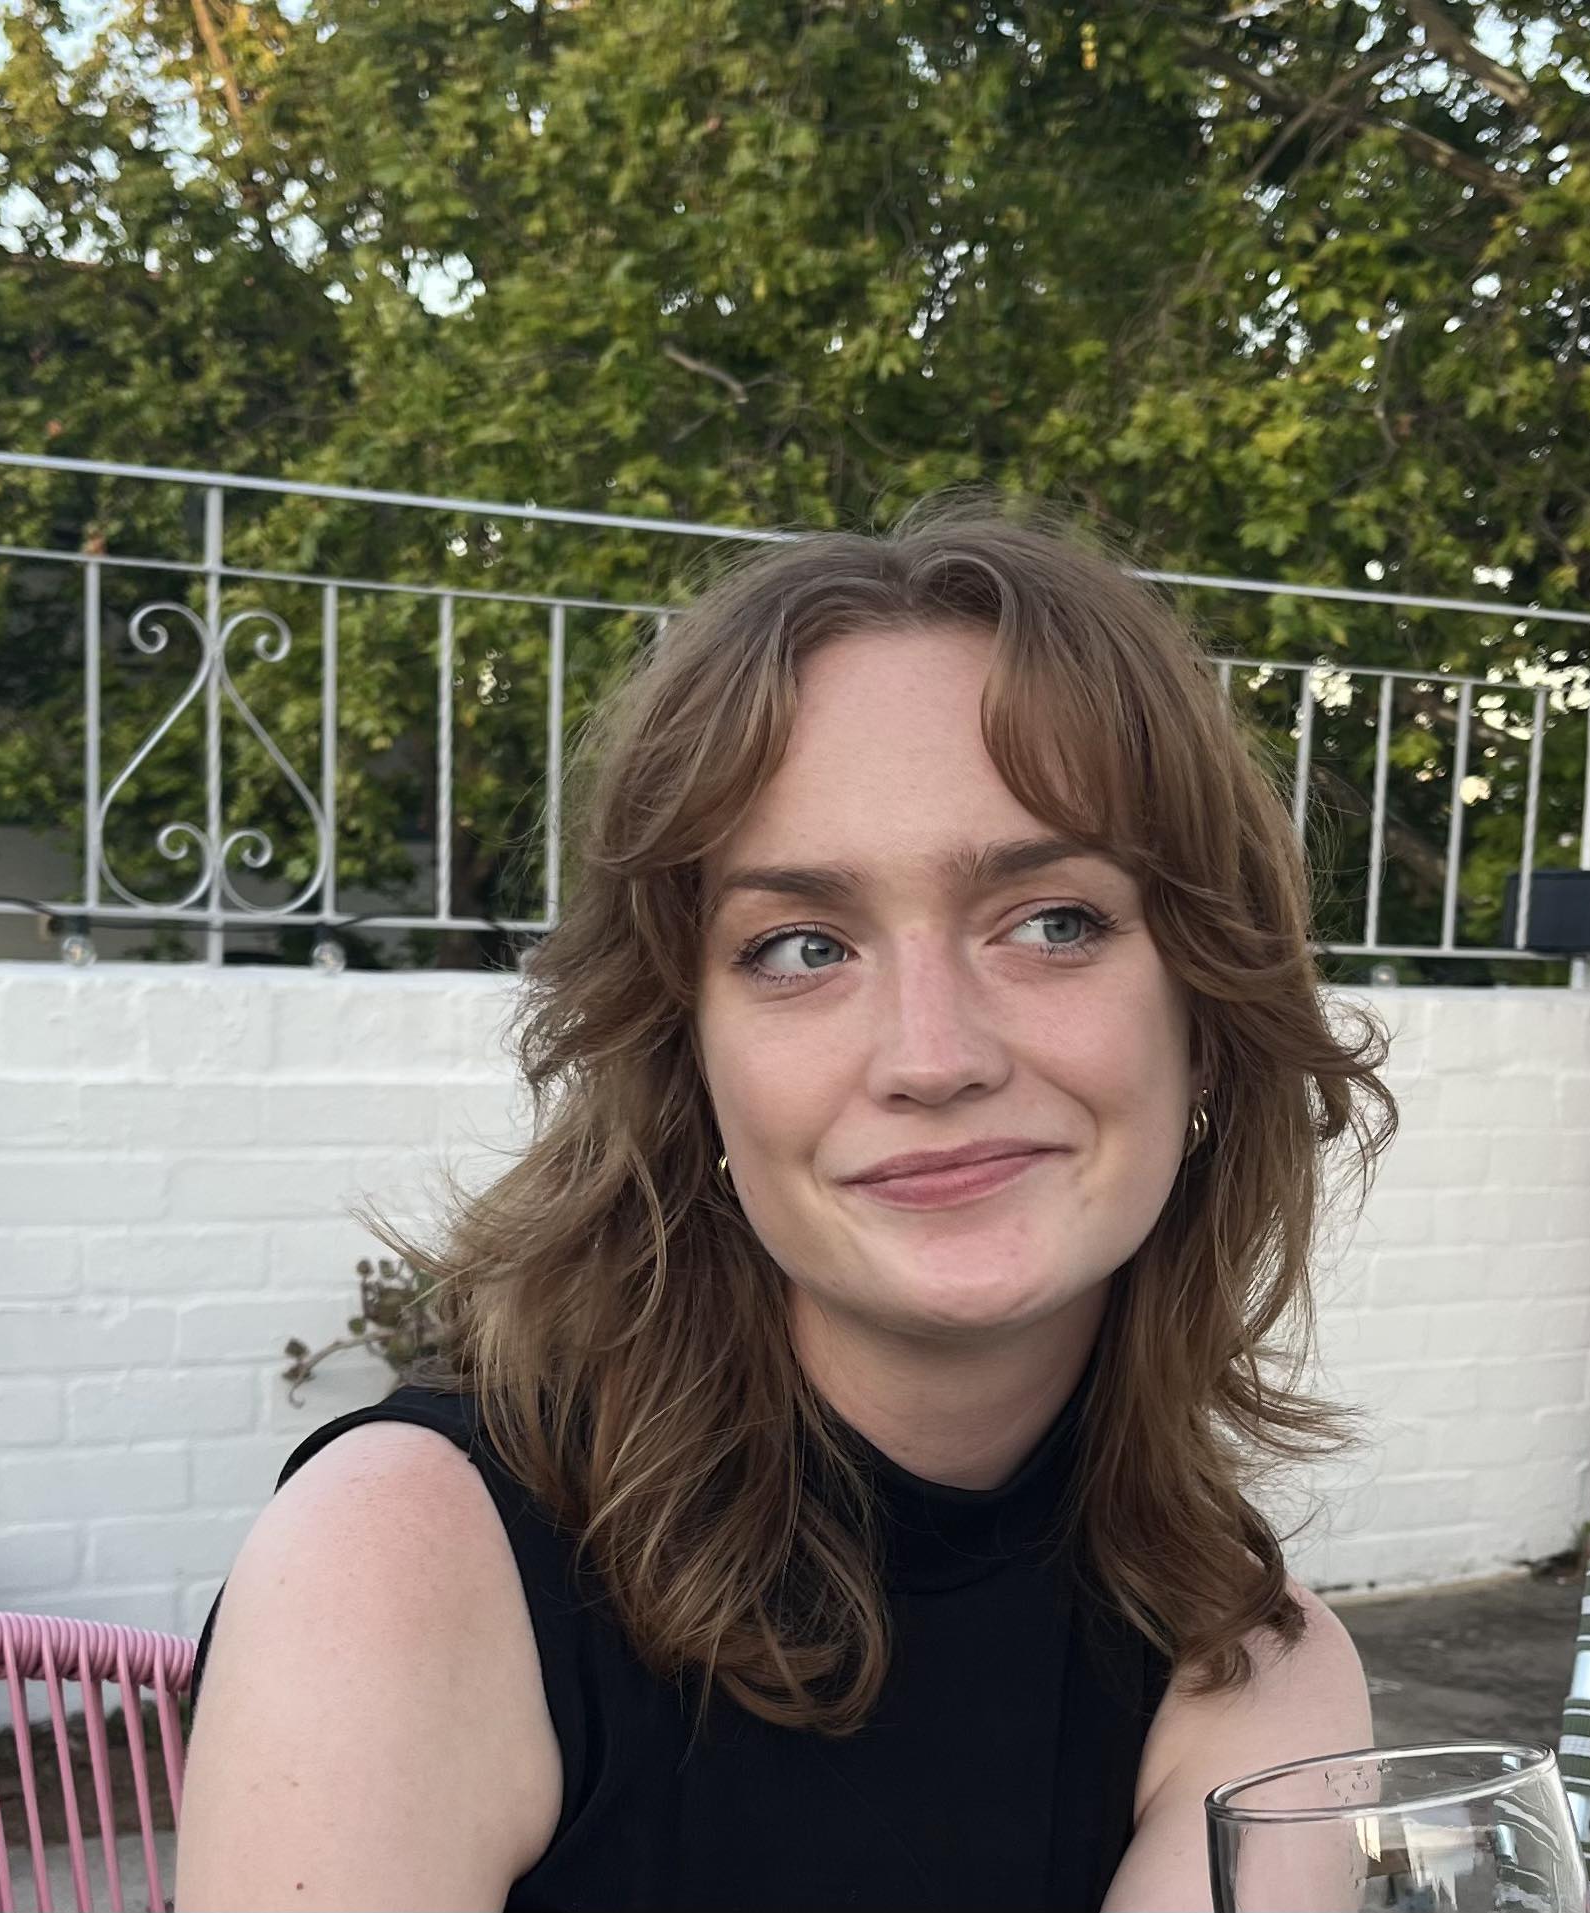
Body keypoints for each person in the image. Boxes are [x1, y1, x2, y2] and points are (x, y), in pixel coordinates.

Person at [175, 503, 1397, 1912]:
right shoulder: (406, 1569)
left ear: (1208, 1007)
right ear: (684, 1064)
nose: (933, 1055)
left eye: (1052, 919)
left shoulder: (1256, 1670)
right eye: (800, 945)